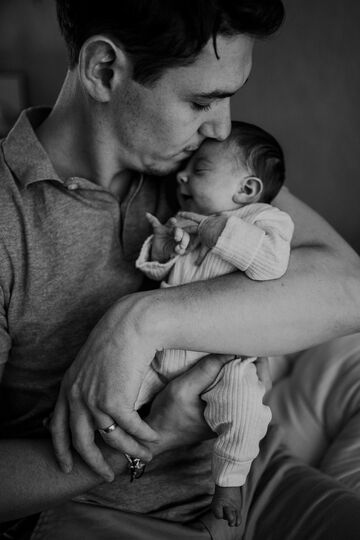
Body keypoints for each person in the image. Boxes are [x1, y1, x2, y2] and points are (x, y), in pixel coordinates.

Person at [1, 1, 360, 539]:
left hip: (257, 478)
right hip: (100, 514)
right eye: (201, 100)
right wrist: (151, 440)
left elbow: (348, 288)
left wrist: (141, 320)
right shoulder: (8, 217)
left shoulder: (199, 172)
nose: (222, 126)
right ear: (104, 70)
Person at [135, 121, 293, 527]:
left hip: (225, 362)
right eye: (185, 167)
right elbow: (161, 275)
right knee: (115, 388)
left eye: (200, 170)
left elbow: (270, 262)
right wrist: (163, 249)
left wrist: (215, 230)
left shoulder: (266, 220)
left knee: (243, 409)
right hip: (160, 357)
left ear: (246, 190)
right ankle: (80, 428)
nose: (182, 175)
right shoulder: (184, 220)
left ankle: (229, 482)